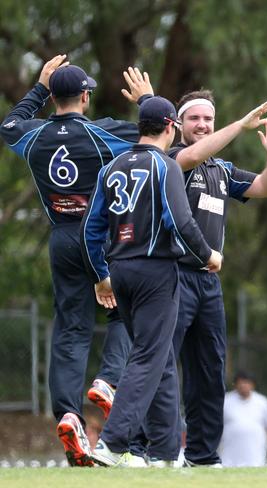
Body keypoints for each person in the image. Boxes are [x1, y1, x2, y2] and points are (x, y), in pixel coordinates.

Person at [0, 55, 152, 466]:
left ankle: (68, 414)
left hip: (62, 239)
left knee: (70, 328)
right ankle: (107, 382)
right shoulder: (102, 134)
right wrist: (148, 99)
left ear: (53, 97)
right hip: (101, 236)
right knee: (124, 315)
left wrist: (37, 88)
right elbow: (157, 137)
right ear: (85, 96)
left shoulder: (32, 136)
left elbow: (8, 125)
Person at [81, 96, 222, 467]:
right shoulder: (167, 165)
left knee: (157, 358)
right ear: (172, 126)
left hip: (120, 270)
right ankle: (111, 443)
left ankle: (163, 452)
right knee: (148, 357)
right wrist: (209, 255)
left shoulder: (111, 167)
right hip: (156, 270)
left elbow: (91, 229)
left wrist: (101, 277)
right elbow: (182, 222)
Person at [152, 90, 267, 468]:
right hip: (172, 276)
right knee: (161, 365)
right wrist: (240, 125)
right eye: (195, 119)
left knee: (210, 371)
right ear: (178, 124)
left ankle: (202, 455)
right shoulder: (174, 159)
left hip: (208, 283)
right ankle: (152, 449)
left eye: (208, 119)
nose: (203, 125)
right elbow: (193, 154)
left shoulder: (221, 171)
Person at [219, 372, 267, 467]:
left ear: (253, 385)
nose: (243, 386)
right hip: (229, 452)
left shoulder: (263, 402)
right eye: (240, 383)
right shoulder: (225, 401)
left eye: (246, 383)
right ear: (235, 385)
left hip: (255, 452)